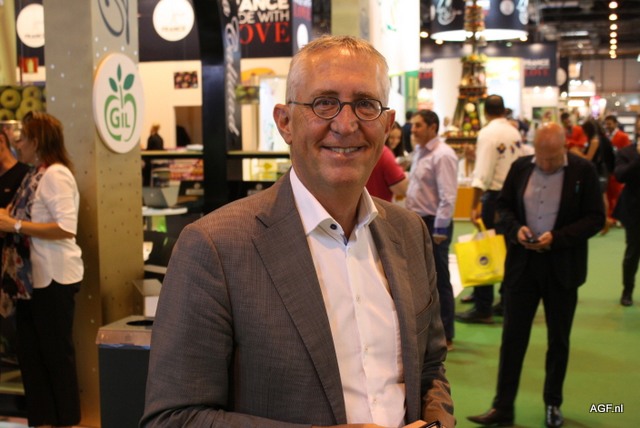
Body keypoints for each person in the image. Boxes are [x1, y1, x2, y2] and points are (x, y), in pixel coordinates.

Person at [142, 35, 454, 428]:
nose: (346, 125)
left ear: (387, 124)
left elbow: (430, 367)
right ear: (285, 122)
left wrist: (436, 422)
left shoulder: (408, 232)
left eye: (365, 104)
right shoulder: (215, 247)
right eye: (324, 103)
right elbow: (174, 418)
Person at [467, 122, 604, 428]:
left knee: (558, 340)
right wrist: (516, 230)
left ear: (565, 146)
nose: (545, 163)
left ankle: (553, 404)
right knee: (512, 338)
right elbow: (503, 207)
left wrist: (558, 237)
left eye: (552, 158)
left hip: (562, 269)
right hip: (523, 267)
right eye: (541, 157)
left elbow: (595, 218)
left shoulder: (583, 171)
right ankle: (502, 406)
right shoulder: (520, 167)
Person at [0, 112, 83, 428]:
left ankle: (66, 420)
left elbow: (66, 227)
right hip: (30, 280)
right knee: (32, 355)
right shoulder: (35, 175)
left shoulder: (56, 175)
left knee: (55, 354)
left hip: (54, 277)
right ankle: (43, 419)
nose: (18, 144)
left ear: (36, 142)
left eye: (22, 138)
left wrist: (15, 225)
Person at [456, 94, 523, 323]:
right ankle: (504, 302)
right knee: (507, 249)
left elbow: (482, 174)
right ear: (503, 110)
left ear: (485, 112)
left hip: (495, 198)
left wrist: (474, 205)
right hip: (513, 197)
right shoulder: (514, 132)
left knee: (486, 247)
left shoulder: (487, 133)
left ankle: (483, 307)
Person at [405, 110, 458, 350]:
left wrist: (440, 229)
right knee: (420, 278)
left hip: (434, 224)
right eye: (413, 125)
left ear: (432, 127)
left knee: (440, 279)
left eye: (418, 125)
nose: (413, 129)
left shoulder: (443, 155)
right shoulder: (419, 151)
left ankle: (446, 334)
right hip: (417, 221)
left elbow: (448, 196)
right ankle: (426, 331)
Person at [612, 136, 640, 306]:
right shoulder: (626, 153)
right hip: (634, 211)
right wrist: (638, 159)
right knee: (633, 253)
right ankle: (627, 291)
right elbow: (620, 176)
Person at [604, 115, 631, 224]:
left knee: (618, 193)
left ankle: (619, 217)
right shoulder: (605, 136)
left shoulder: (623, 136)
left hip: (618, 168)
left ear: (615, 124)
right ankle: (611, 218)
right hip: (608, 169)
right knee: (608, 194)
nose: (607, 126)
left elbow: (627, 153)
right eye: (606, 124)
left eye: (609, 124)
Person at [365, 136, 408, 202]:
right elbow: (402, 189)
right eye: (392, 137)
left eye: (398, 138)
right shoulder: (384, 154)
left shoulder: (358, 151)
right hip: (379, 205)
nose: (395, 141)